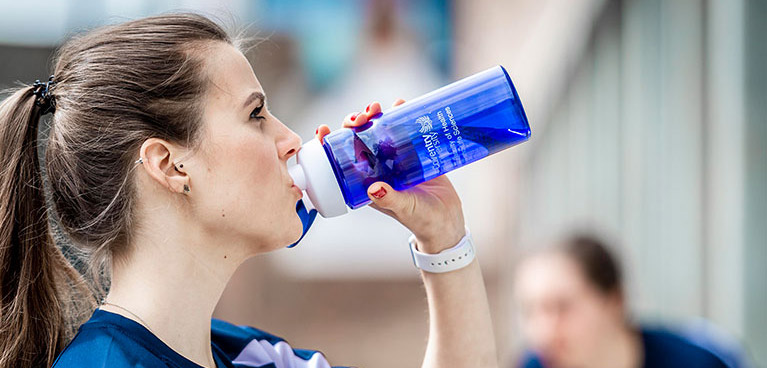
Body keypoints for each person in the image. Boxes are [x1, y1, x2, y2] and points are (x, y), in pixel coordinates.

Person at [0, 13, 496, 368]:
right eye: (256, 114)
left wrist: (444, 237)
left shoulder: (261, 357)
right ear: (170, 165)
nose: (291, 140)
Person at [513, 234, 732, 368]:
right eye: (529, 312)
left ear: (615, 301)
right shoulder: (533, 365)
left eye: (562, 308)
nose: (542, 333)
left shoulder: (693, 363)